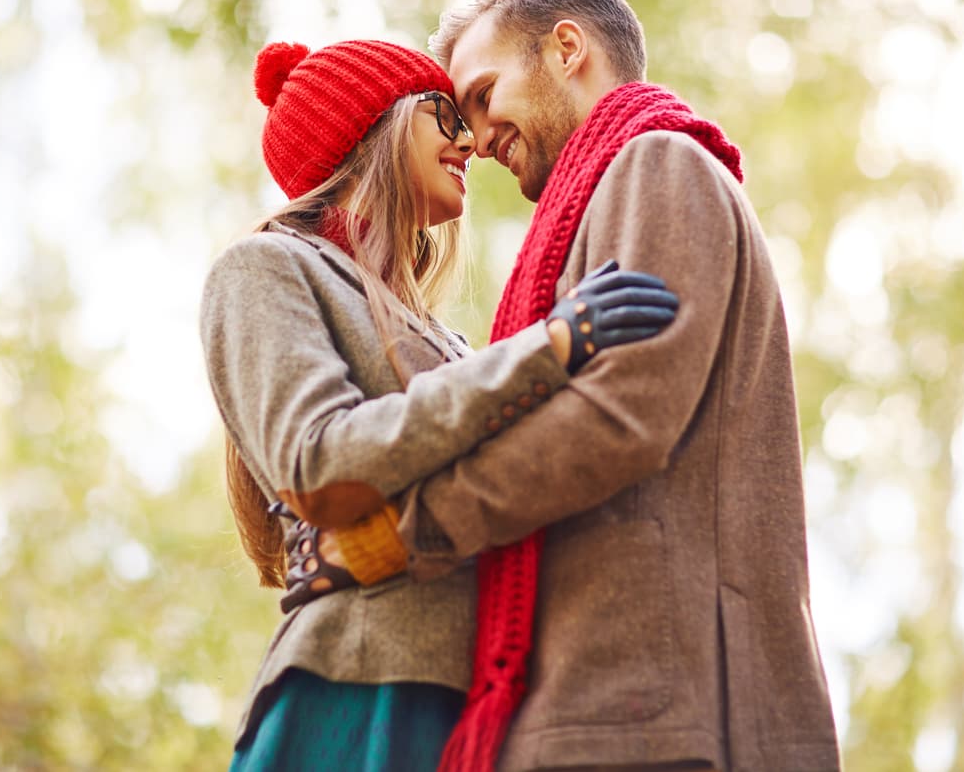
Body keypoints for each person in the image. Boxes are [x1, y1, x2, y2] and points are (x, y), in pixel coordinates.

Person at [289, 0, 843, 771]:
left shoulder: (658, 166)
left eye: (482, 94)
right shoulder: (610, 192)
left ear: (567, 49)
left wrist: (397, 536)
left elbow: (620, 417)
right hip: (619, 708)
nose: (475, 138)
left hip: (663, 715)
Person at [199, 38, 679, 771]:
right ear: (374, 126)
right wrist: (547, 349)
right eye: (445, 114)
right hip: (359, 682)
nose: (470, 142)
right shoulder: (266, 266)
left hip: (482, 701)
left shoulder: (444, 337)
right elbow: (318, 461)